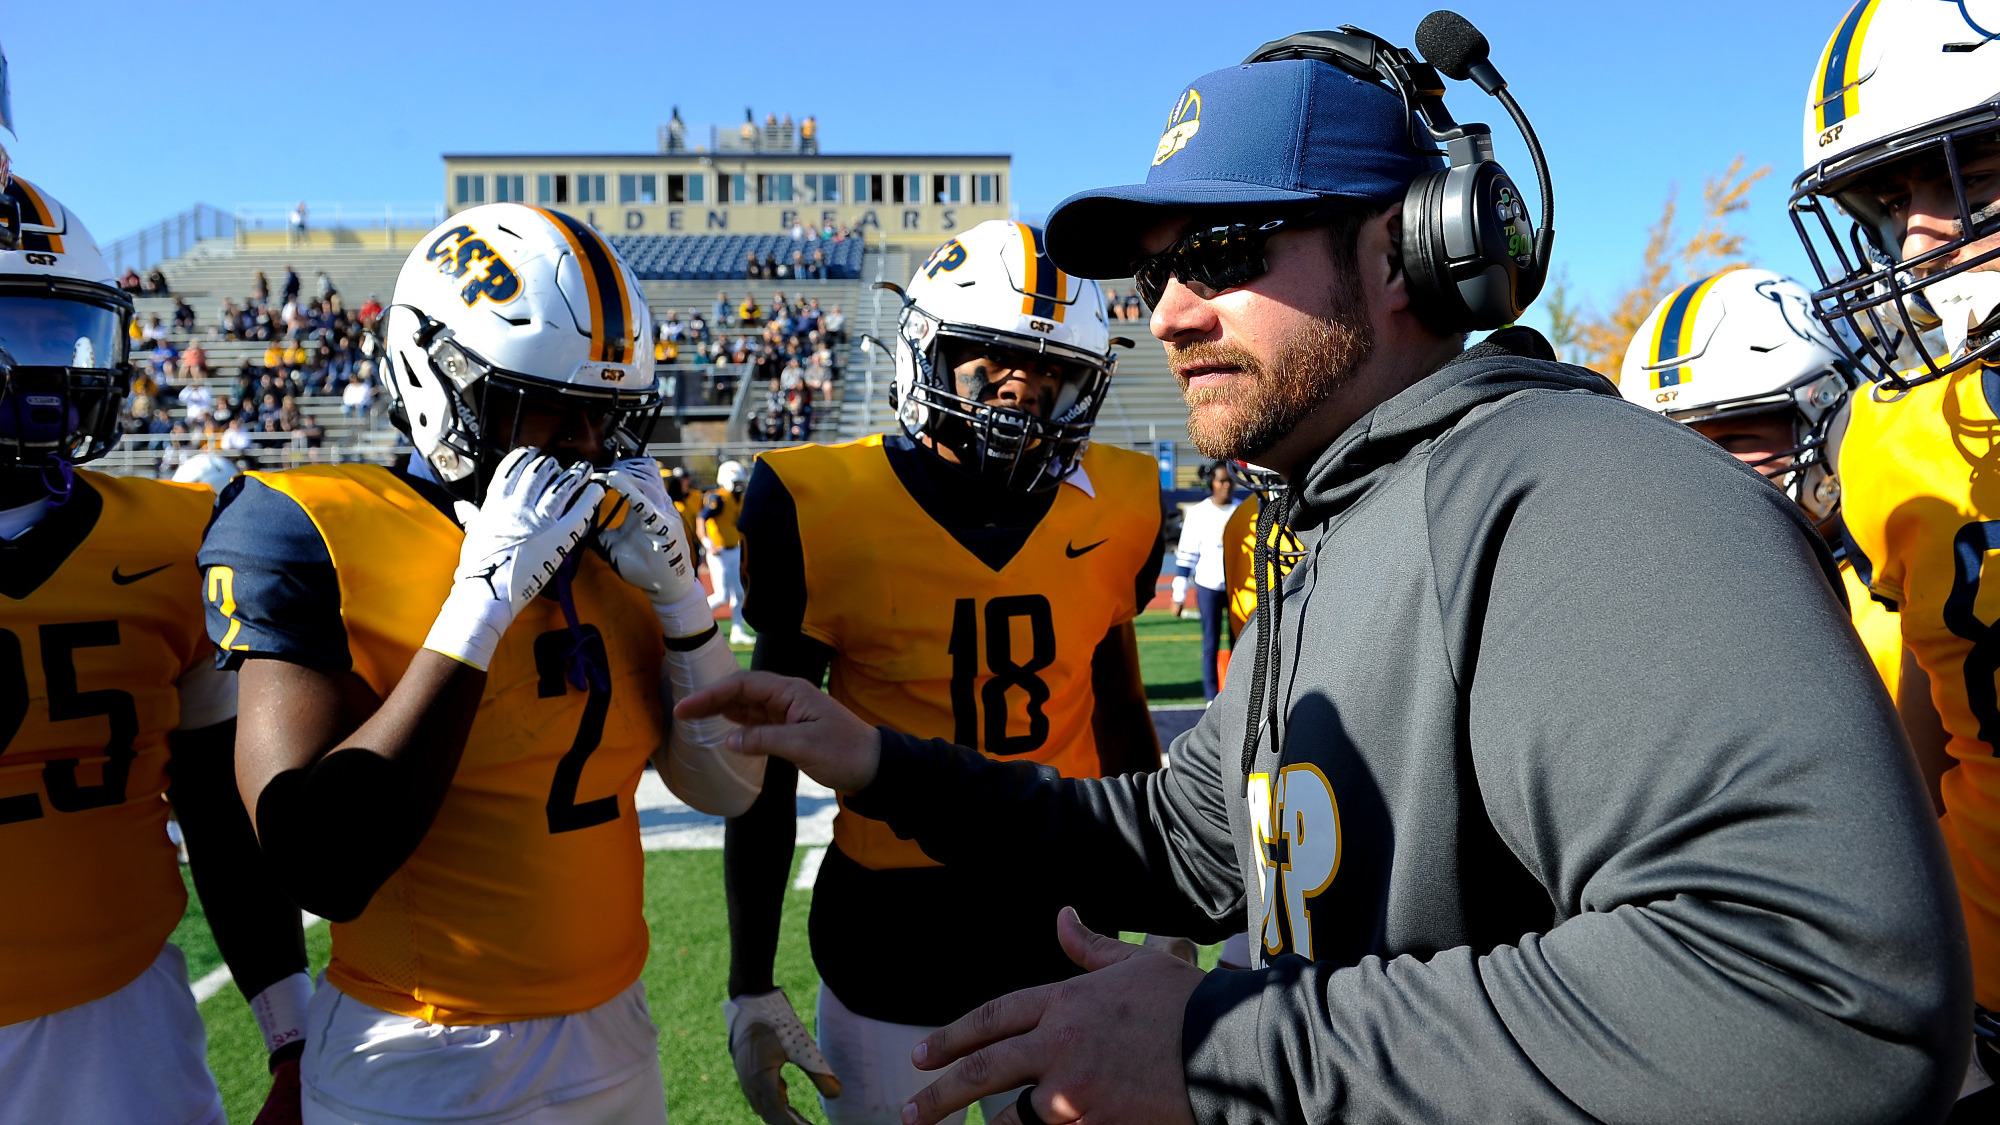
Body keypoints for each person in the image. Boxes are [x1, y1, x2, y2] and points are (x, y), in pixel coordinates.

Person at [680, 45, 1971, 1125]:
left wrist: (1225, 1045)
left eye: (1228, 251)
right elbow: (1183, 844)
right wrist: (881, 763)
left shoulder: (1581, 493)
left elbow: (1816, 994)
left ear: (1421, 244)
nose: (1172, 313)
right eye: (1157, 273)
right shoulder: (1342, 518)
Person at [196, 203, 763, 1124]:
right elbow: (321, 861)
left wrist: (684, 605)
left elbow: (730, 789)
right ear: (438, 379)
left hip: (615, 1026)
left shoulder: (614, 543)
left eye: (605, 415)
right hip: (419, 1049)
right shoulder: (311, 527)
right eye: (551, 410)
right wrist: (483, 600)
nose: (584, 447)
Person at [721, 219, 1165, 1125]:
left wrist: (1161, 893)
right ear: (924, 348)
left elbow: (1120, 706)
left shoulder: (1120, 499)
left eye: (1052, 372)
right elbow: (764, 755)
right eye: (989, 357)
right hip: (893, 927)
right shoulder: (823, 503)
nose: (1020, 391)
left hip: (1061, 905)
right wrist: (747, 974)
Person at [0, 174, 308, 1124]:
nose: (46, 367)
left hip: (117, 1021)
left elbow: (215, 805)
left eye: (61, 330)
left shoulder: (174, 540)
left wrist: (292, 1027)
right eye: (11, 328)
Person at [1789, 1, 2000, 1112]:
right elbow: (1931, 683)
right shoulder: (1891, 429)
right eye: (1891, 197)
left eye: (1972, 169)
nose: (1921, 234)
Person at [1616, 268, 1898, 694]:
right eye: (1674, 448)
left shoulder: (1899, 594)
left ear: (1830, 417)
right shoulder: (1667, 602)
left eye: (1734, 437)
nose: (1701, 470)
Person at [1170, 462, 1238, 701]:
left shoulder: (1242, 510)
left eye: (1230, 480)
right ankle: (1211, 699)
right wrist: (1178, 595)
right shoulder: (1198, 513)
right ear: (1211, 483)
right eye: (1221, 480)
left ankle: (1237, 695)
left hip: (1237, 588)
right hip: (1208, 586)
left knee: (1240, 645)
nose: (1226, 485)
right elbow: (1186, 556)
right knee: (1210, 645)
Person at [704, 459, 751, 646]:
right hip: (719, 552)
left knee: (738, 593)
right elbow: (702, 519)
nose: (740, 486)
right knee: (721, 596)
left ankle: (737, 631)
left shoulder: (737, 498)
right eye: (737, 482)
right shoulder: (718, 498)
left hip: (735, 549)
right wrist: (708, 543)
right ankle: (691, 619)